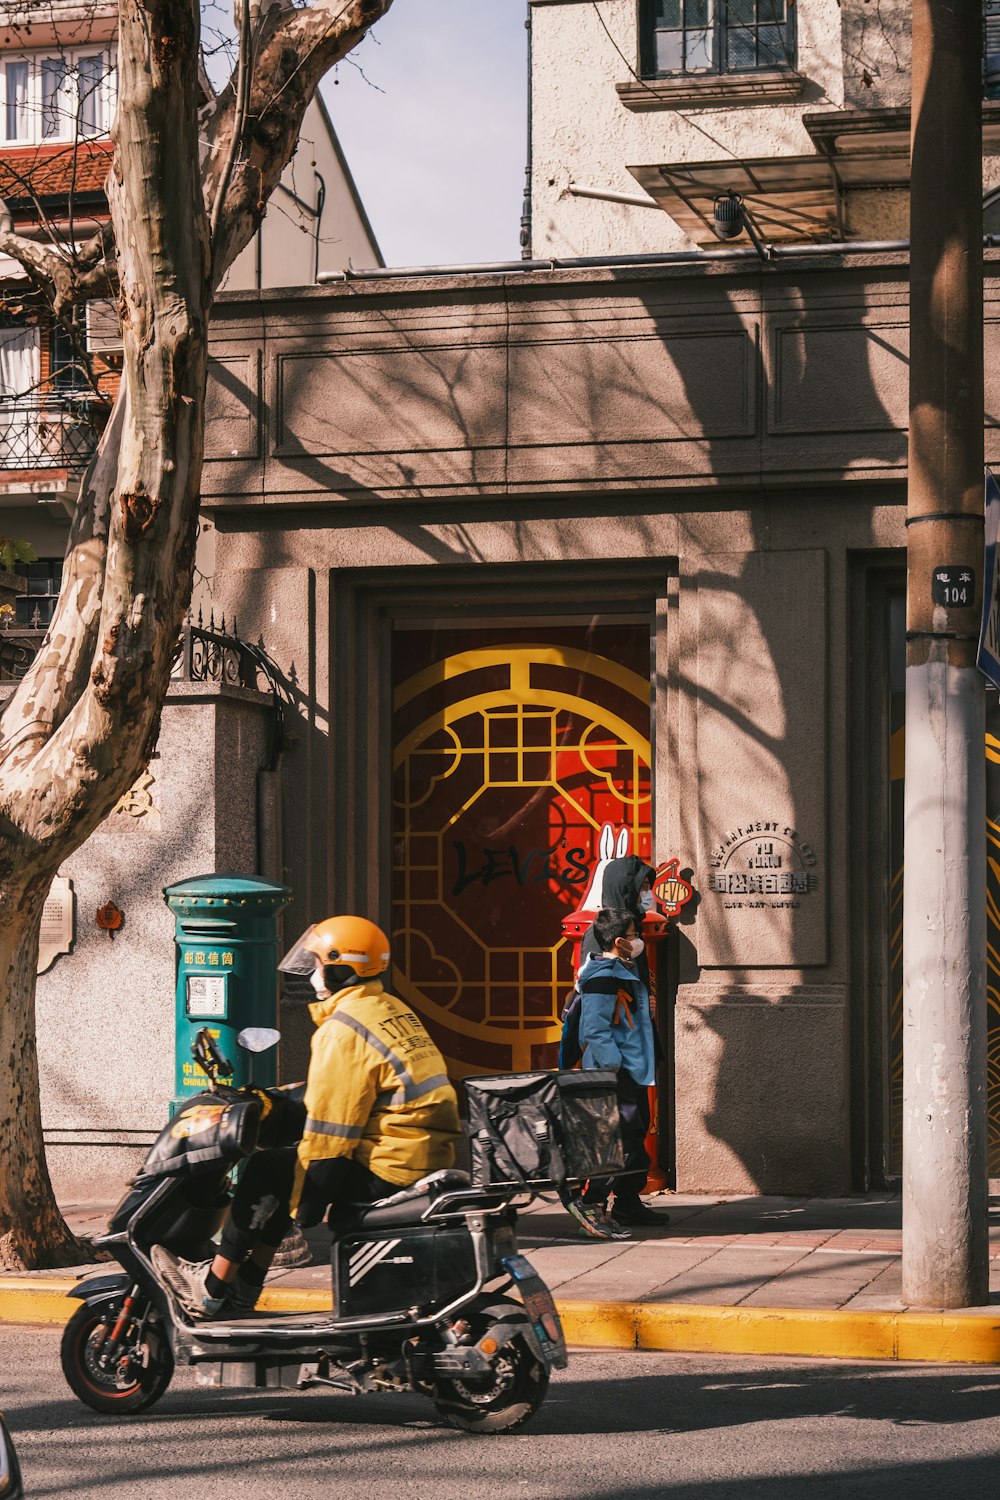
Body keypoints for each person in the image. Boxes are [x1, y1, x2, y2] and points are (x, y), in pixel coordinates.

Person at [153, 915, 460, 1320]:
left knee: (269, 1168)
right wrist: (281, 1098)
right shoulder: (388, 1007)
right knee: (285, 1170)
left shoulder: (343, 1029)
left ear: (341, 967)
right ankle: (246, 1287)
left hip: (391, 1163)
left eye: (317, 964)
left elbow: (330, 1132)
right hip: (421, 1151)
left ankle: (210, 1287)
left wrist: (309, 1202)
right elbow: (351, 1090)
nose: (313, 974)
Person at [566, 907, 671, 1240]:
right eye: (632, 934)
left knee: (635, 1134)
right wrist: (616, 1068)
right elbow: (594, 1030)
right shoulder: (601, 976)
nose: (637, 939)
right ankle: (591, 1201)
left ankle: (627, 1200)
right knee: (621, 1141)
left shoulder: (622, 968)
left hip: (635, 1069)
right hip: (618, 1072)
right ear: (616, 940)